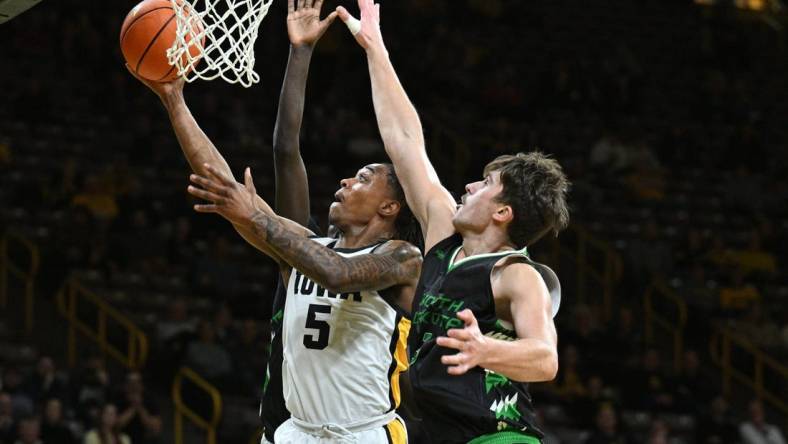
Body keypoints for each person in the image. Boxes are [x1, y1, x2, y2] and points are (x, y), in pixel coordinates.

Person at [129, 1, 423, 443]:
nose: (345, 181)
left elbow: (337, 274)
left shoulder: (402, 258)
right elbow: (232, 177)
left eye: (363, 178)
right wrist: (174, 101)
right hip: (295, 433)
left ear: (390, 208)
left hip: (364, 434)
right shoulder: (303, 247)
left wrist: (257, 218)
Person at [337, 1, 569, 442]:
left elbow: (544, 358)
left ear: (504, 213)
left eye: (485, 184)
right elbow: (406, 142)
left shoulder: (516, 275)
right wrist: (375, 49)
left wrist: (485, 349)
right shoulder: (444, 235)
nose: (468, 187)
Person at [115, 372, 162, 444]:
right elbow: (115, 426)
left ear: (142, 386)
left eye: (137, 382)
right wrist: (133, 408)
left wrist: (140, 407)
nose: (134, 386)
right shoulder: (118, 399)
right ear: (125, 385)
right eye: (130, 382)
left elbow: (155, 429)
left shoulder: (149, 400)